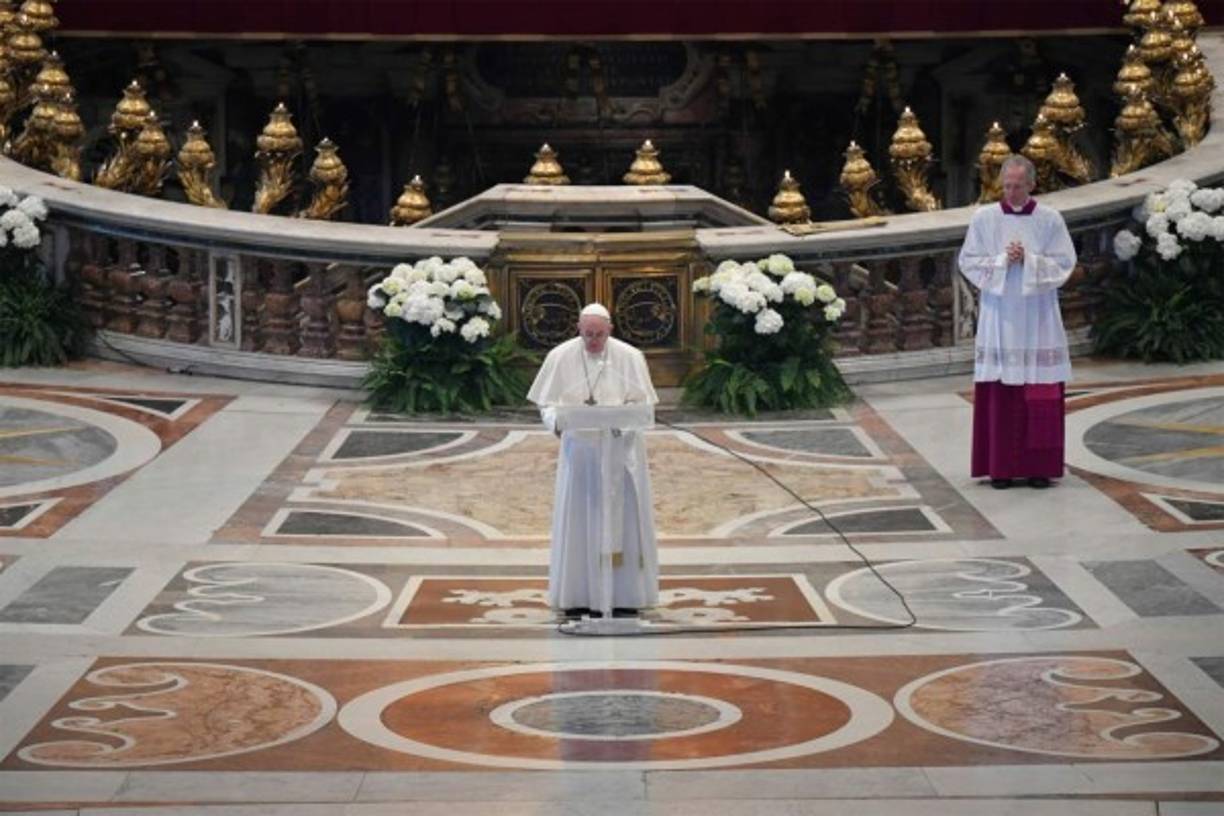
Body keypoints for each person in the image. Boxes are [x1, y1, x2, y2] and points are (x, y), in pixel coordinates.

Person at [527, 303, 660, 617]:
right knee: (581, 516)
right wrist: (557, 422)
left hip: (621, 451)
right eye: (588, 334)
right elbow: (546, 404)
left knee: (623, 519)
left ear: (610, 330)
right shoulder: (560, 356)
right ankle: (578, 593)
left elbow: (644, 406)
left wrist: (621, 420)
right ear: (578, 329)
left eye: (599, 334)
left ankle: (626, 595)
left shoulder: (629, 356)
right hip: (582, 453)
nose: (593, 341)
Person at [958, 154, 1076, 490]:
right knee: (1001, 392)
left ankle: (1039, 467)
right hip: (1001, 315)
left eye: (1017, 186)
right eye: (1006, 185)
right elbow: (967, 261)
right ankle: (1001, 468)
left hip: (1038, 316)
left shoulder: (1050, 219)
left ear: (1032, 184)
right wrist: (1000, 261)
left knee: (1040, 392)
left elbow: (1065, 263)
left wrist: (1030, 261)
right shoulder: (985, 218)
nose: (1010, 192)